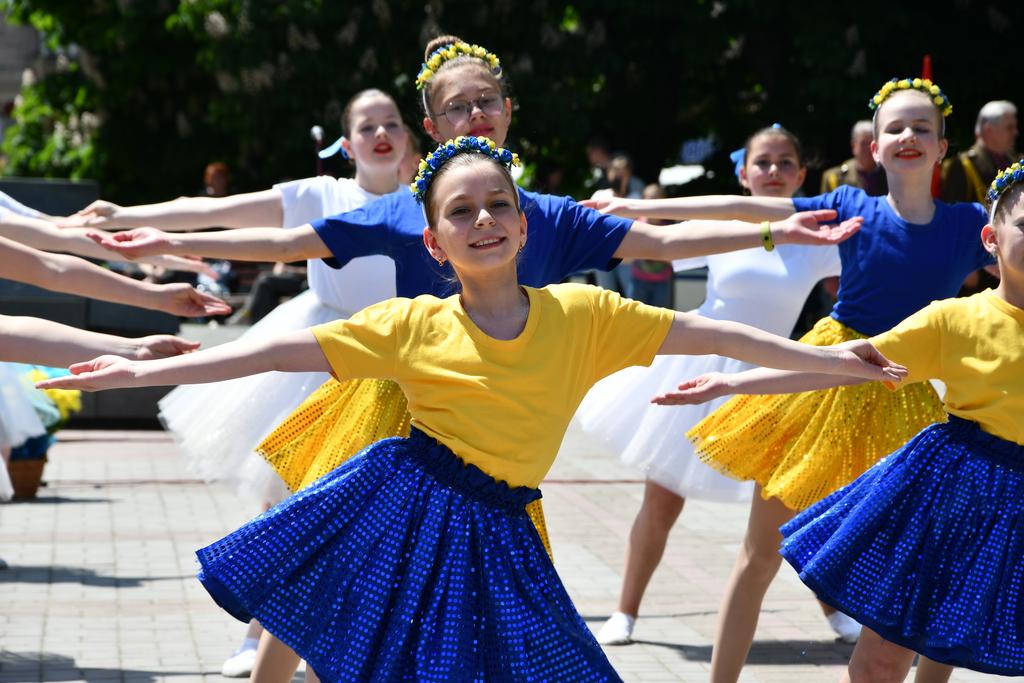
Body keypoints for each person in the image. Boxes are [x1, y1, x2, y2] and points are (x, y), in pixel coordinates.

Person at [83, 37, 862, 683]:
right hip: (399, 406)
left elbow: (661, 242)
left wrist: (774, 229)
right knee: (339, 573)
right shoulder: (405, 210)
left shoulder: (549, 219)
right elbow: (287, 244)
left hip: (502, 431)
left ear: (509, 111)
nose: (475, 114)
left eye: (486, 100)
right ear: (432, 125)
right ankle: (274, 661)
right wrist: (164, 243)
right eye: (457, 107)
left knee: (434, 616)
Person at [583, 77, 994, 683]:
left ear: (943, 146)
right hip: (824, 381)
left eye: (922, 128)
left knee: (928, 565)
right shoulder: (851, 208)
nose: (908, 136)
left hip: (909, 392)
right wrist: (636, 208)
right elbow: (744, 209)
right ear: (874, 147)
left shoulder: (969, 224)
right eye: (895, 128)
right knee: (761, 555)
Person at [663, 159, 1024, 680]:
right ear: (990, 240)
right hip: (952, 493)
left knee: (950, 646)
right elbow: (843, 365)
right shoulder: (957, 319)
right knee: (883, 658)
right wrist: (733, 383)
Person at [585, 125, 854, 646]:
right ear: (743, 174)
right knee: (662, 501)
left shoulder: (817, 236)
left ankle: (834, 610)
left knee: (792, 501)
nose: (773, 171)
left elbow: (869, 267)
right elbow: (660, 244)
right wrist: (617, 214)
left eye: (785, 163)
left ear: (802, 175)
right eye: (762, 162)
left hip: (770, 378)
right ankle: (625, 611)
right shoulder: (723, 224)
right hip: (696, 366)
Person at [941, 100, 1018, 204]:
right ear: (989, 130)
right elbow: (953, 210)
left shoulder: (1015, 161)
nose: (1016, 132)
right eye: (1009, 127)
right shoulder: (962, 166)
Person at [820, 120, 888, 196]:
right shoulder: (833, 178)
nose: (869, 148)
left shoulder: (891, 175)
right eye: (864, 143)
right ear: (853, 146)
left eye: (872, 143)